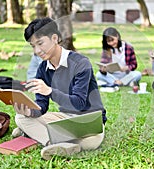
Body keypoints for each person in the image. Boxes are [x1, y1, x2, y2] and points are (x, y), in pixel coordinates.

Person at [12, 17, 107, 160]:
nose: (37, 50)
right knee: (20, 117)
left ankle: (38, 134)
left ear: (55, 38)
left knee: (90, 143)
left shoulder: (81, 63)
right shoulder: (43, 69)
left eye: (40, 43)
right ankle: (52, 144)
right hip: (65, 119)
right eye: (33, 46)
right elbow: (42, 106)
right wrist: (30, 112)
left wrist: (50, 91)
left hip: (88, 119)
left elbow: (79, 103)